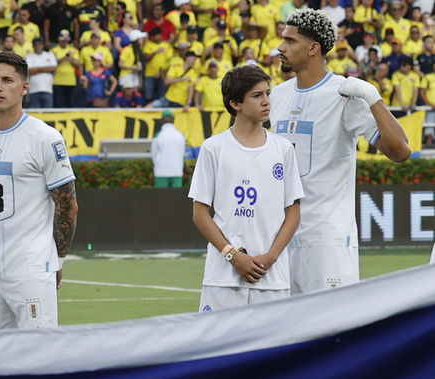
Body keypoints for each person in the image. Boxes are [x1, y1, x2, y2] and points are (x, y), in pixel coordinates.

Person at [272, 8, 410, 293]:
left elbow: (400, 151)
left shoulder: (345, 93)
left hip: (327, 241)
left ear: (313, 48)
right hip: (281, 238)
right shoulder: (277, 95)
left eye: (290, 41)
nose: (280, 47)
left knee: (330, 331)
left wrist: (373, 98)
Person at [0, 51, 78, 330]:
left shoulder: (45, 138)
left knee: (38, 359)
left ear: (24, 87)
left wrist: (58, 258)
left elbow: (67, 204)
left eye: (7, 80)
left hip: (31, 271)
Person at [189, 65, 303, 312]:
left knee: (274, 352)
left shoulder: (283, 148)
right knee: (219, 350)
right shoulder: (213, 148)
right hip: (223, 279)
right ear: (235, 104)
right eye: (257, 95)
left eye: (267, 93)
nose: (266, 101)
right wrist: (232, 255)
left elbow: (293, 213)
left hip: (272, 280)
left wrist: (270, 258)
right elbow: (199, 213)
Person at [151, 110, 186, 187]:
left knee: (161, 198)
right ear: (173, 121)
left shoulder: (158, 135)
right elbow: (182, 153)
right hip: (177, 171)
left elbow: (154, 154)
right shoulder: (180, 135)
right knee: (176, 198)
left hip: (161, 171)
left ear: (161, 121)